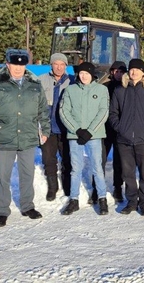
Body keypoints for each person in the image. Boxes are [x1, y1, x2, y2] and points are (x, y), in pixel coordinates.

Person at [0, 49, 50, 227]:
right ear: (8, 64)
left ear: (25, 65)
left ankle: (27, 206)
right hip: (4, 136)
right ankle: (2, 210)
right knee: (3, 175)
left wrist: (45, 131)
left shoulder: (34, 84)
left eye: (21, 64)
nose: (18, 68)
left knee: (27, 173)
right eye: (14, 64)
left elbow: (43, 110)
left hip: (28, 136)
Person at [109, 58, 144, 216]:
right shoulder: (120, 90)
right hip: (124, 140)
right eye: (131, 70)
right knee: (127, 174)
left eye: (137, 69)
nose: (134, 72)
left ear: (143, 72)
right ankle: (132, 202)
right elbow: (113, 113)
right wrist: (120, 128)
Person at [59, 62, 110, 216]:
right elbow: (64, 111)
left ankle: (102, 198)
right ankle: (74, 200)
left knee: (97, 168)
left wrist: (90, 131)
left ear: (92, 75)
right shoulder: (70, 90)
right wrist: (77, 130)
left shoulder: (102, 90)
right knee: (76, 169)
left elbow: (103, 111)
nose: (83, 76)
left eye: (86, 73)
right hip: (75, 136)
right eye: (81, 73)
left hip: (94, 136)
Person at [37, 53, 73, 201]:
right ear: (51, 65)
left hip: (66, 127)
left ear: (66, 66)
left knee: (67, 158)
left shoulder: (72, 81)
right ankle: (52, 187)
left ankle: (67, 185)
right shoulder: (41, 80)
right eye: (56, 64)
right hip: (48, 127)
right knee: (48, 158)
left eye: (62, 64)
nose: (59, 67)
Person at [102, 61, 127, 202]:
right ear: (112, 72)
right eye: (116, 71)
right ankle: (97, 188)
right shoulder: (105, 87)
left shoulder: (127, 88)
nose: (118, 74)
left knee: (119, 161)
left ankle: (118, 188)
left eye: (121, 72)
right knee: (101, 159)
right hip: (105, 128)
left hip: (121, 129)